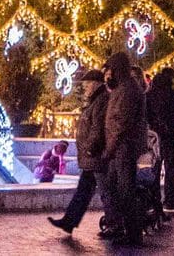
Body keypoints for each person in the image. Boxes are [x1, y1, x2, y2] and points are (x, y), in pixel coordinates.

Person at [49, 68, 108, 235]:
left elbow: (97, 128)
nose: (85, 88)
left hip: (94, 155)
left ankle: (113, 222)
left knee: (102, 192)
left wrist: (90, 148)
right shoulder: (95, 100)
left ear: (96, 84)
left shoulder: (100, 101)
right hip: (91, 155)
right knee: (85, 189)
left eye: (88, 84)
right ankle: (69, 221)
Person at [100, 50, 147, 244]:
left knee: (125, 191)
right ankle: (125, 229)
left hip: (124, 147)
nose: (108, 74)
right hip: (120, 147)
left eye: (110, 69)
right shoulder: (124, 88)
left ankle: (133, 234)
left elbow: (121, 124)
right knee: (117, 188)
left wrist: (109, 149)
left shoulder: (127, 90)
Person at [145, 66, 174, 209]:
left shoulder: (149, 95)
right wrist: (172, 114)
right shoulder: (172, 94)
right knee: (170, 170)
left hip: (154, 138)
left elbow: (145, 114)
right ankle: (170, 200)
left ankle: (153, 200)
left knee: (155, 169)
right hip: (170, 134)